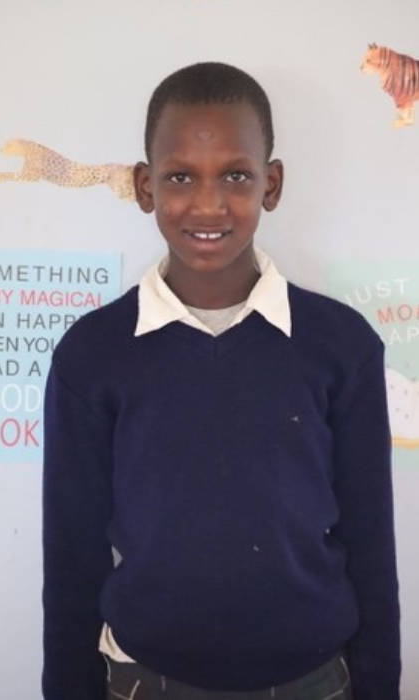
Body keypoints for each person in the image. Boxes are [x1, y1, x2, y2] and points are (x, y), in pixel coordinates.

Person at [42, 62, 400, 700]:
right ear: (145, 187)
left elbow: (372, 545)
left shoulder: (340, 348)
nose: (208, 204)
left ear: (273, 183)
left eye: (235, 175)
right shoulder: (93, 356)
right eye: (181, 177)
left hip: (315, 682)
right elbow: (72, 557)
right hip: (144, 681)